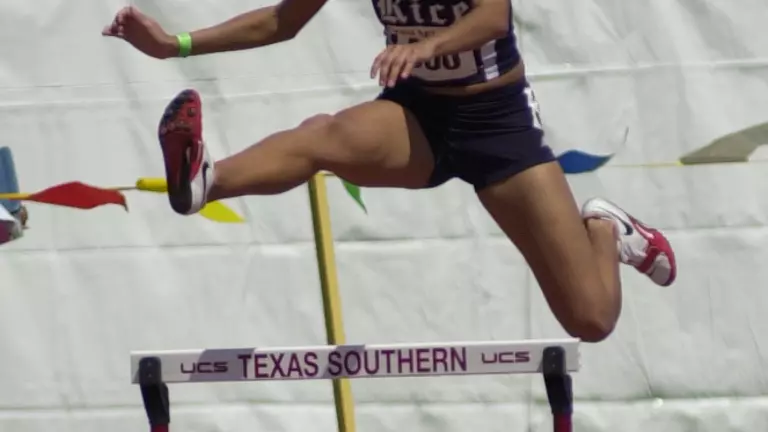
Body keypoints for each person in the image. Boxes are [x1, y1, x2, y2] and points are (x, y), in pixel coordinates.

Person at [102, 0, 676, 342]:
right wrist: (173, 44)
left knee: (591, 319)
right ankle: (206, 181)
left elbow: (493, 14)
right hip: (417, 115)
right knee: (323, 136)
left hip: (498, 126)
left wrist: (426, 48)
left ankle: (602, 227)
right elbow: (281, 19)